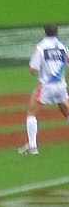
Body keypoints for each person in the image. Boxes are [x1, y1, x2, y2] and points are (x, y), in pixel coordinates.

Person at [19, 24, 69, 155]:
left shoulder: (40, 47)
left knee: (31, 112)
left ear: (44, 32)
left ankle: (32, 146)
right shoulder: (63, 47)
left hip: (46, 86)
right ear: (56, 33)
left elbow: (33, 70)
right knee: (65, 109)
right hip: (61, 85)